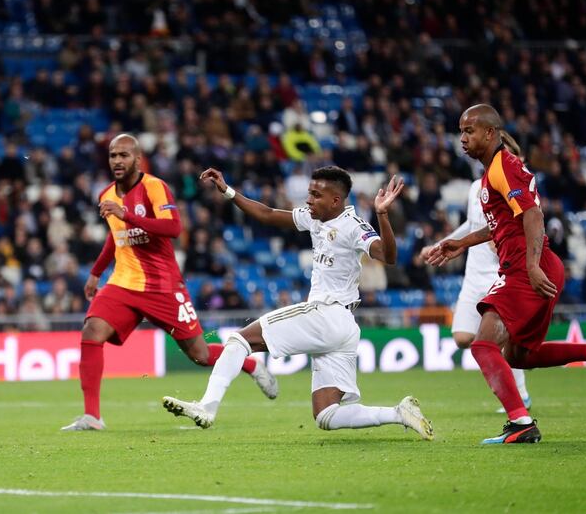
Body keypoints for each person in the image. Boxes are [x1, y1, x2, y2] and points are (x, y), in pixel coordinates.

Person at [163, 166, 434, 440]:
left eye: (316, 195)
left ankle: (207, 407)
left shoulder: (354, 227)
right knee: (326, 415)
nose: (308, 200)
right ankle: (399, 413)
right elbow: (267, 214)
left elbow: (388, 256)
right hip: (343, 328)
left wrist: (382, 214)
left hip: (326, 313)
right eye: (309, 193)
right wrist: (228, 190)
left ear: (335, 201)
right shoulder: (314, 218)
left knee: (239, 341)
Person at [61, 134, 277, 431]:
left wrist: (127, 215)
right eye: (113, 156)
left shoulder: (155, 187)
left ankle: (249, 363)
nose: (117, 161)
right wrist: (96, 273)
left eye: (124, 155)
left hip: (162, 286)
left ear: (137, 159)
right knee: (92, 332)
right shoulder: (105, 195)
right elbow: (116, 236)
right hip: (123, 282)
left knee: (200, 355)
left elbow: (173, 228)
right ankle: (92, 416)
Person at [427, 104, 586, 444]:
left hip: (528, 268)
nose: (462, 139)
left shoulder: (503, 165)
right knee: (518, 355)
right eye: (460, 132)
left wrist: (530, 265)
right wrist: (461, 242)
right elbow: (501, 224)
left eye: (469, 131)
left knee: (483, 345)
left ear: (490, 133)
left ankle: (520, 422)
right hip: (530, 266)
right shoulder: (490, 175)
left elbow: (533, 217)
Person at [420, 131, 533, 414]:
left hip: (502, 271)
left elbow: (523, 222)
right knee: (461, 337)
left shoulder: (519, 183)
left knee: (492, 338)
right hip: (474, 272)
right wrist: (441, 244)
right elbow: (473, 226)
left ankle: (520, 393)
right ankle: (511, 347)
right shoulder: (475, 187)